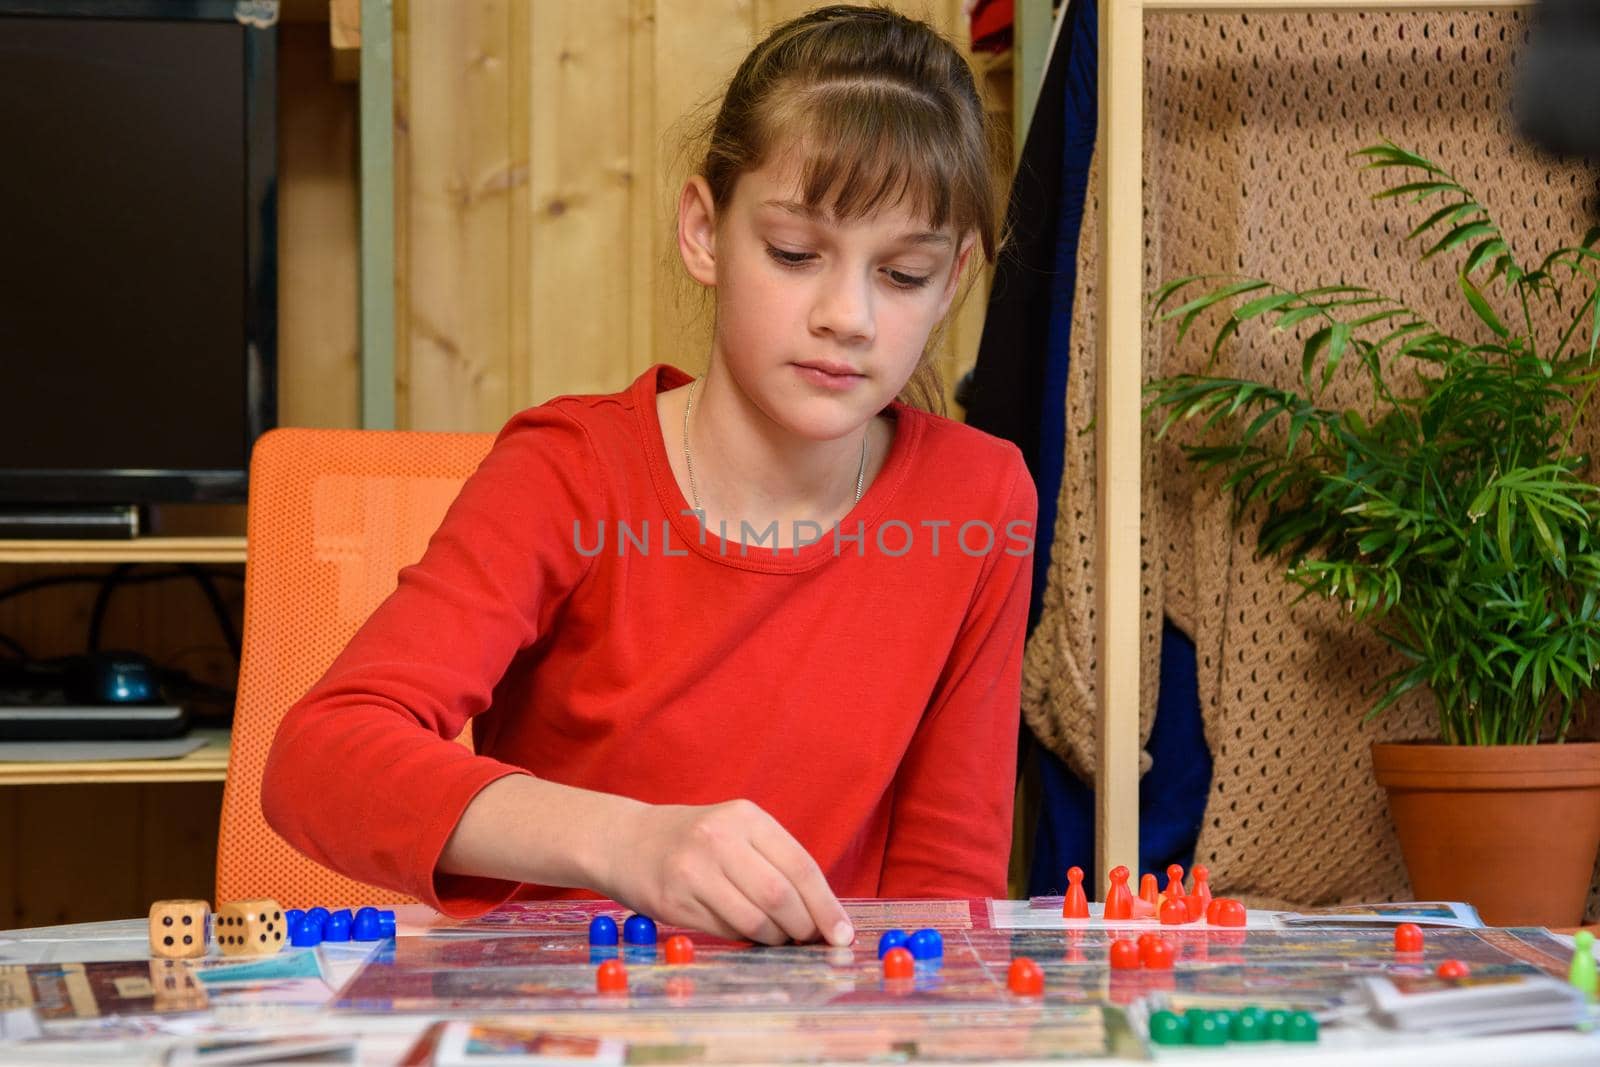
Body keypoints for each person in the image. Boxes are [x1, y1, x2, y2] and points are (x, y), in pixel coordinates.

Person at [261, 4, 1036, 949]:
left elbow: (942, 896)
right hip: (566, 1024)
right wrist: (628, 837)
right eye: (795, 254)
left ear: (956, 278)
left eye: (905, 274)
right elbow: (318, 761)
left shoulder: (982, 497)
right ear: (704, 232)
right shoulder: (569, 474)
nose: (850, 316)